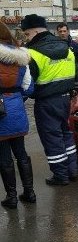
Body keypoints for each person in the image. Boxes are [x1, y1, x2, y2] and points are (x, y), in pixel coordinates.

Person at [21, 14, 78, 186]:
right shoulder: (66, 47)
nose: (27, 38)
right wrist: (75, 90)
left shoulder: (32, 53)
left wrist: (20, 99)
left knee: (52, 138)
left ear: (34, 31)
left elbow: (28, 83)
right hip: (65, 100)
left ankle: (60, 176)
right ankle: (72, 170)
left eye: (26, 34)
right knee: (66, 134)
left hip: (46, 102)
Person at [0, 22, 35, 208]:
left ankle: (11, 197)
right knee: (21, 152)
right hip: (16, 108)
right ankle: (29, 192)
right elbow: (29, 87)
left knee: (4, 157)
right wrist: (16, 99)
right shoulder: (22, 57)